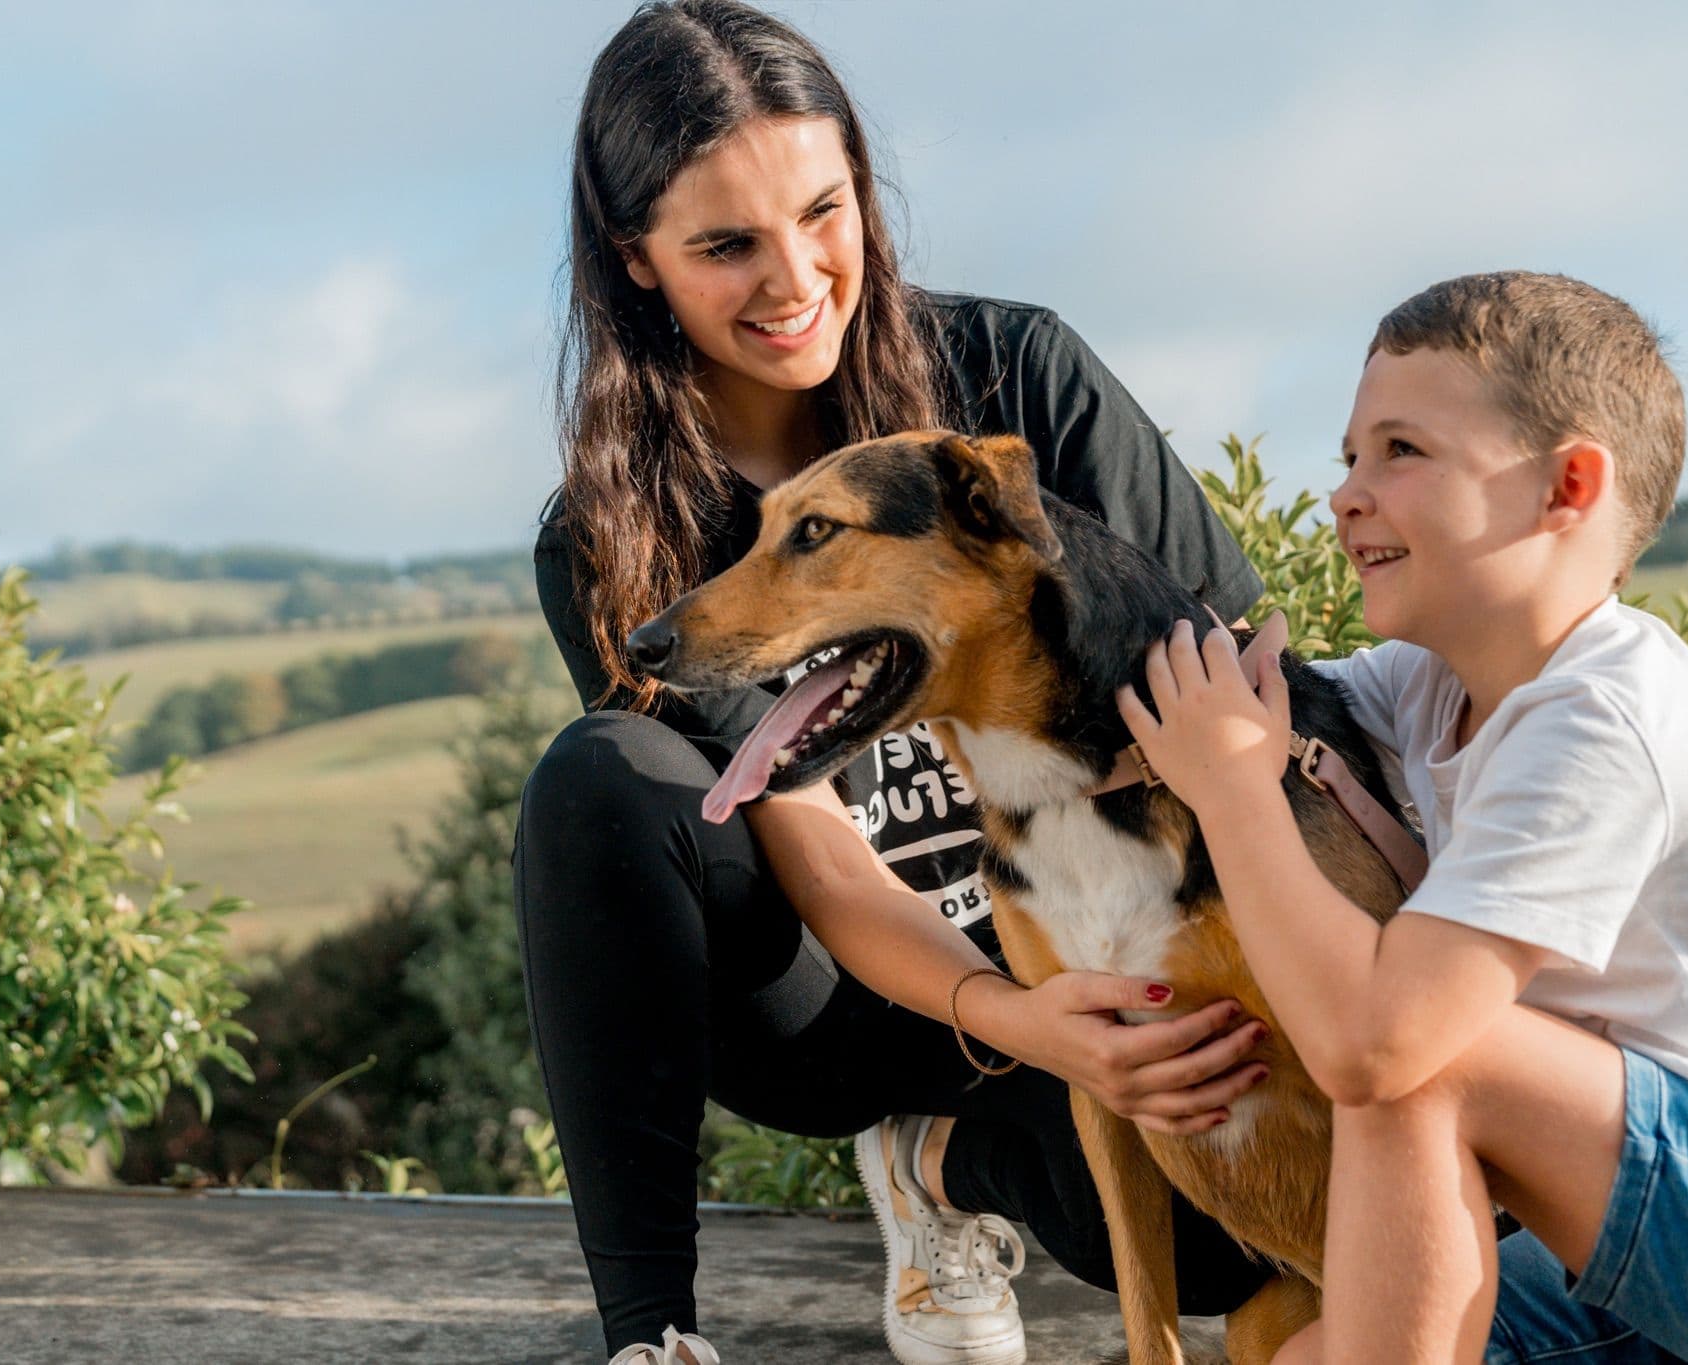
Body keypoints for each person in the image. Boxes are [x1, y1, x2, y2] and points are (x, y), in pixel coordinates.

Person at [515, 3, 1277, 1361]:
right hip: (854, 998)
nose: (795, 275)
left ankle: (937, 1168)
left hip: (1106, 928)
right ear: (638, 260)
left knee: (1223, 1246)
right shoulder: (616, 531)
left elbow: (1241, 673)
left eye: (825, 211)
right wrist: (1018, 1018)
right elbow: (813, 847)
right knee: (604, 775)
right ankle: (652, 1336)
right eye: (725, 246)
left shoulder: (1024, 377)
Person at [1117, 271, 1688, 1363]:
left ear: (1566, 485)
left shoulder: (1603, 712)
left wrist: (1235, 790)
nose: (1346, 493)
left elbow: (1373, 1050)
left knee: (1426, 1053)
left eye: (1401, 451)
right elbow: (1236, 709)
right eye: (1347, 457)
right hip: (1685, 1259)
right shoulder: (1424, 685)